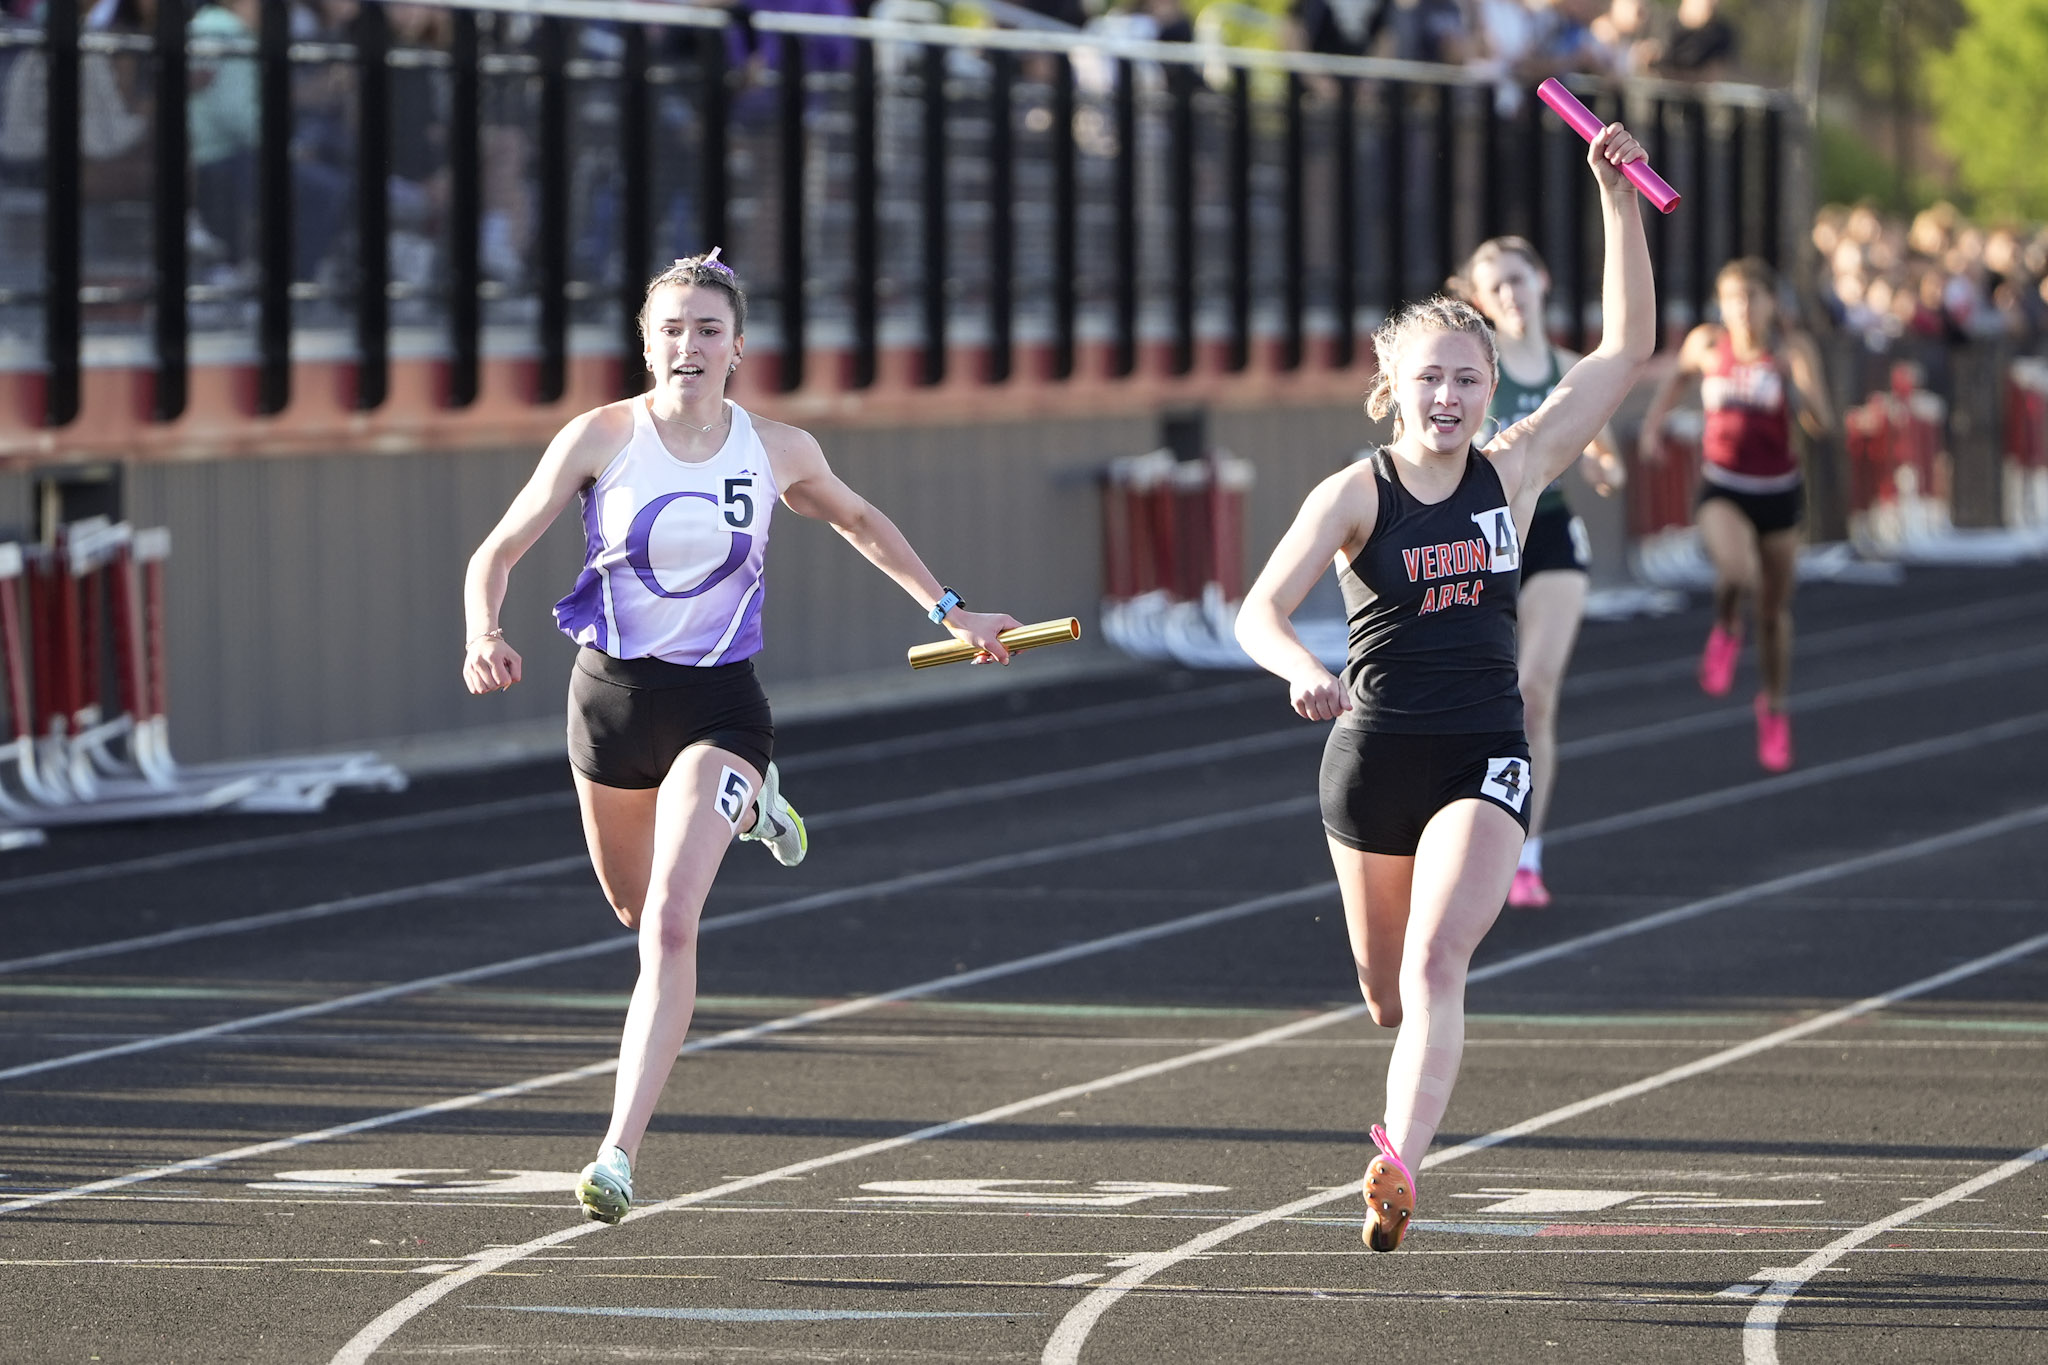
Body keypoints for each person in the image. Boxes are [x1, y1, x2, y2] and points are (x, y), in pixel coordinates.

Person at [461, 250, 1020, 1224]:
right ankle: (756, 806)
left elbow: (855, 520)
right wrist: (484, 630)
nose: (688, 345)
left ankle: (616, 1155)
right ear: (645, 344)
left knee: (675, 924)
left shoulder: (775, 449)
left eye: (707, 330)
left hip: (718, 710)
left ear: (737, 348)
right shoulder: (597, 437)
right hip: (608, 705)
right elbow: (498, 550)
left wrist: (949, 607)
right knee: (635, 913)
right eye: (670, 329)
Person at [1234, 122, 1654, 1252]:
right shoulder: (1352, 493)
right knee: (1384, 994)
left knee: (1436, 961)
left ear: (1486, 389)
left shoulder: (1512, 470)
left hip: (1480, 749)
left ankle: (1398, 1166)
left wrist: (1612, 198)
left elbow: (1620, 350)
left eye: (1467, 379)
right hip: (1371, 757)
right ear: (1390, 385)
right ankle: (1401, 1127)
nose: (1450, 397)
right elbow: (1253, 611)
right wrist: (1302, 668)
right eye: (1429, 378)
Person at [1453, 235, 1627, 909]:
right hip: (1482, 537)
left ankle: (1527, 852)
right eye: (1494, 286)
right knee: (1469, 697)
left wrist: (1602, 466)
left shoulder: (1568, 367)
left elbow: (1603, 448)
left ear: (1542, 280)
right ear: (1477, 298)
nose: (1509, 296)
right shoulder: (1471, 370)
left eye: (1518, 280)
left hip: (1549, 534)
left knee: (1535, 691)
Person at [1637, 257, 1835, 772]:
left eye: (1753, 298)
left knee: (1773, 613)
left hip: (1779, 492)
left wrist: (1802, 385)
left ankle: (1773, 706)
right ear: (1721, 304)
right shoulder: (1707, 345)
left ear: (1772, 303)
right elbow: (1676, 380)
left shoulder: (1791, 350)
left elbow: (1822, 423)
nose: (1743, 309)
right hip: (1723, 487)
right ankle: (1726, 626)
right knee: (1736, 571)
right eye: (1733, 298)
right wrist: (1653, 428)